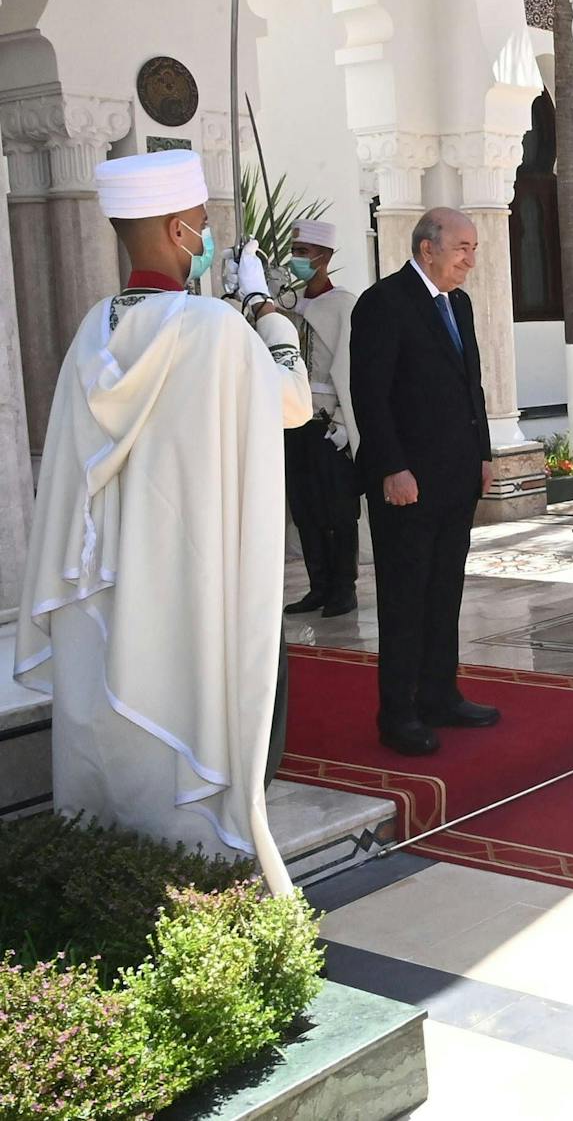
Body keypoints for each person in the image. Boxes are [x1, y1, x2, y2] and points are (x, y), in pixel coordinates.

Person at [12, 149, 310, 893]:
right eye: (203, 226)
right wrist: (267, 314)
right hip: (181, 581)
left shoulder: (90, 332)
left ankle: (106, 871)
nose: (207, 238)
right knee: (186, 724)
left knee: (110, 733)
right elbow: (292, 401)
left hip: (105, 588)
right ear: (180, 232)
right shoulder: (214, 329)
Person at [349, 208, 500, 757]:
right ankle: (398, 713)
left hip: (456, 477)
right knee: (406, 597)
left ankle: (440, 694)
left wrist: (482, 455)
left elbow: (471, 387)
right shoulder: (383, 303)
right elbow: (370, 395)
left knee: (444, 592)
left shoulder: (458, 304)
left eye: (475, 248)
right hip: (406, 483)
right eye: (463, 246)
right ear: (427, 247)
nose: (470, 259)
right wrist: (392, 467)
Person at [281, 218, 362, 617]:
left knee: (338, 509)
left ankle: (343, 587)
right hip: (295, 422)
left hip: (329, 424)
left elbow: (349, 368)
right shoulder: (289, 304)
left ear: (324, 257)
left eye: (303, 253)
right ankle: (318, 585)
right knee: (305, 507)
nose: (297, 260)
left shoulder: (343, 304)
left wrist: (346, 425)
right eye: (294, 253)